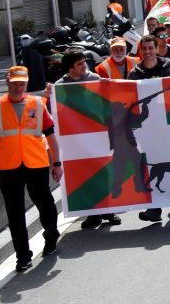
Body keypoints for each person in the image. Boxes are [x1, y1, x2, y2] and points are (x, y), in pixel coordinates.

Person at [0, 66, 62, 272]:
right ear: (7, 81)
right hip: (8, 167)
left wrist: (57, 163)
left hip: (36, 164)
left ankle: (51, 237)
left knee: (46, 205)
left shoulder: (37, 104)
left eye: (22, 82)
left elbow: (51, 135)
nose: (18, 86)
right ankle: (23, 256)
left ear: (26, 83)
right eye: (14, 82)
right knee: (14, 214)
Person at [56, 50, 123, 230]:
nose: (84, 66)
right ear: (70, 67)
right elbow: (56, 112)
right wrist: (49, 97)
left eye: (84, 62)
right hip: (76, 139)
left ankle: (108, 211)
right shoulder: (60, 86)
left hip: (98, 134)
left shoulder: (94, 79)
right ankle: (92, 214)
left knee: (103, 172)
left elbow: (107, 104)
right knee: (85, 174)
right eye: (79, 64)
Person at [129, 35, 170, 222]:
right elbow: (129, 101)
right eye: (144, 49)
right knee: (154, 165)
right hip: (148, 130)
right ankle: (155, 208)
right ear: (140, 50)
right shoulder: (134, 73)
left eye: (151, 48)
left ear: (157, 48)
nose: (147, 52)